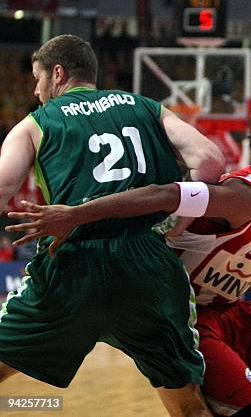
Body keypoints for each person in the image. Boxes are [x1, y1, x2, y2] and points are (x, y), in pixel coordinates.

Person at [7, 95, 251, 417]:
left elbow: (246, 258)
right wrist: (77, 214)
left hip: (233, 310)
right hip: (190, 315)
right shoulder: (241, 196)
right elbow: (162, 194)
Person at [0, 34, 225, 417]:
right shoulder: (148, 108)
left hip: (71, 262)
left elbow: (2, 187)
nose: (37, 92)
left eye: (38, 80)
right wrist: (176, 222)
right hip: (146, 262)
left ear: (58, 73)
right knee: (188, 407)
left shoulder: (34, 124)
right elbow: (210, 162)